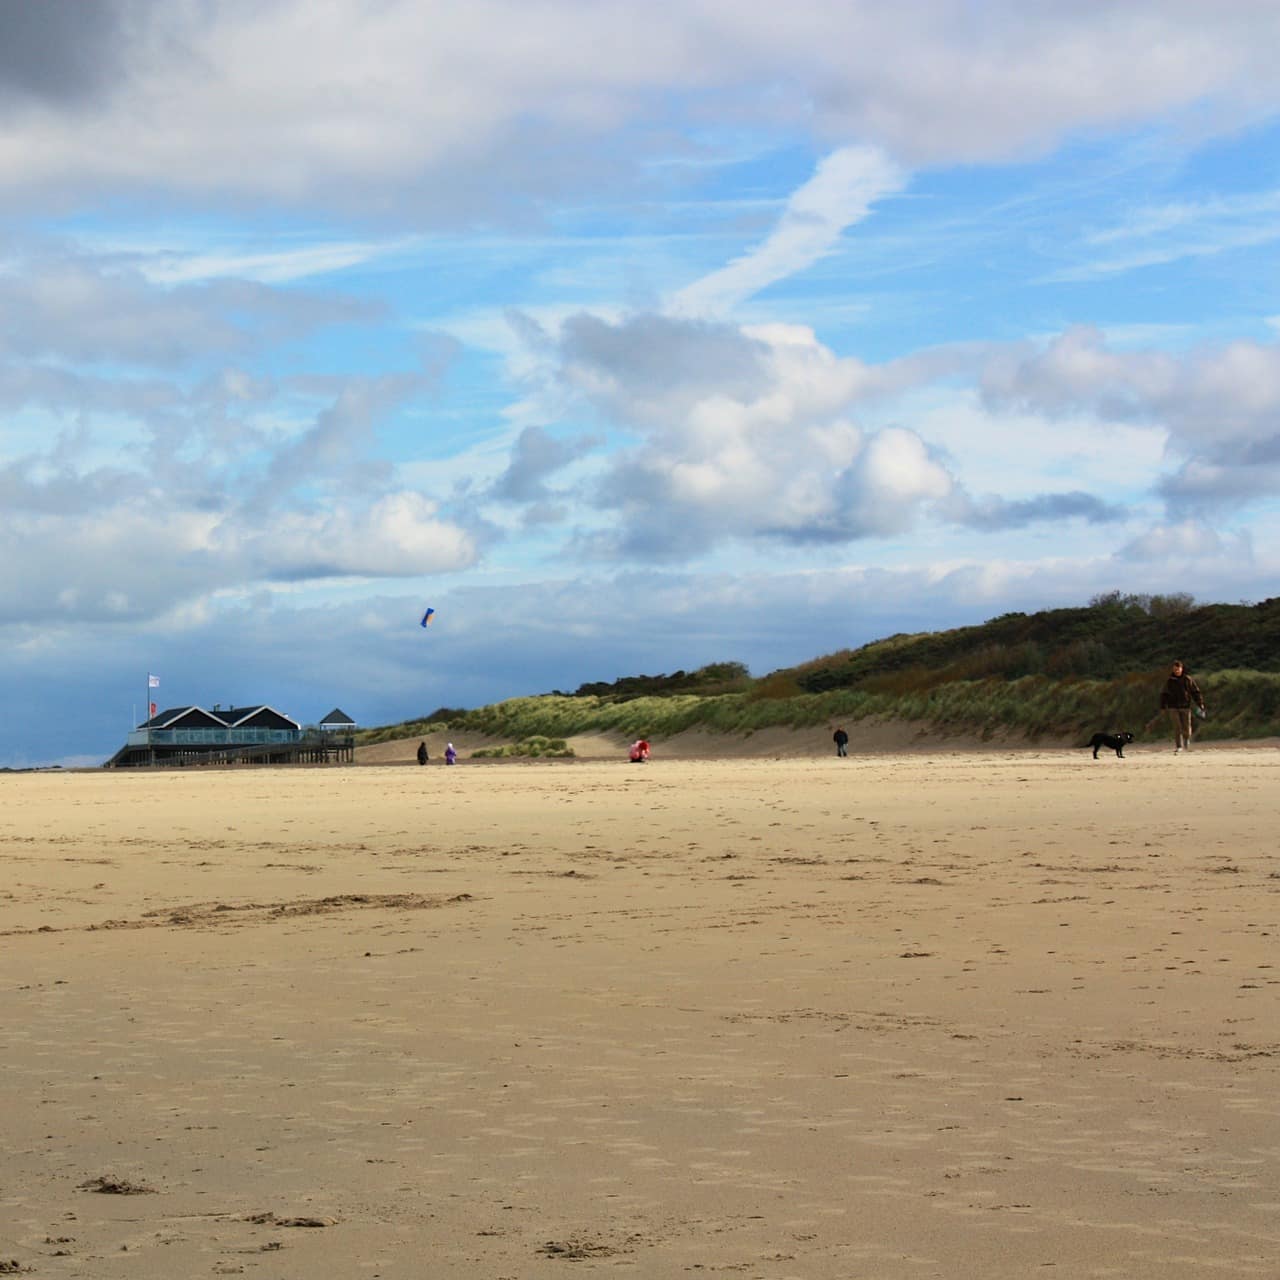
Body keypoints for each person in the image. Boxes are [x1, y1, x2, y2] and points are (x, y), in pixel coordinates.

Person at [1159, 659, 1205, 754]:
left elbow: (1195, 692)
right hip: (1173, 707)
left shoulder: (1188, 679)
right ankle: (1179, 746)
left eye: (1178, 669)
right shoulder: (1170, 681)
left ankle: (1186, 741)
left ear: (1181, 669)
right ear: (1173, 670)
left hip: (1185, 706)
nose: (1176, 671)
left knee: (1187, 727)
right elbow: (1164, 694)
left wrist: (1200, 703)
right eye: (1175, 669)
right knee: (1177, 727)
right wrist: (1163, 707)